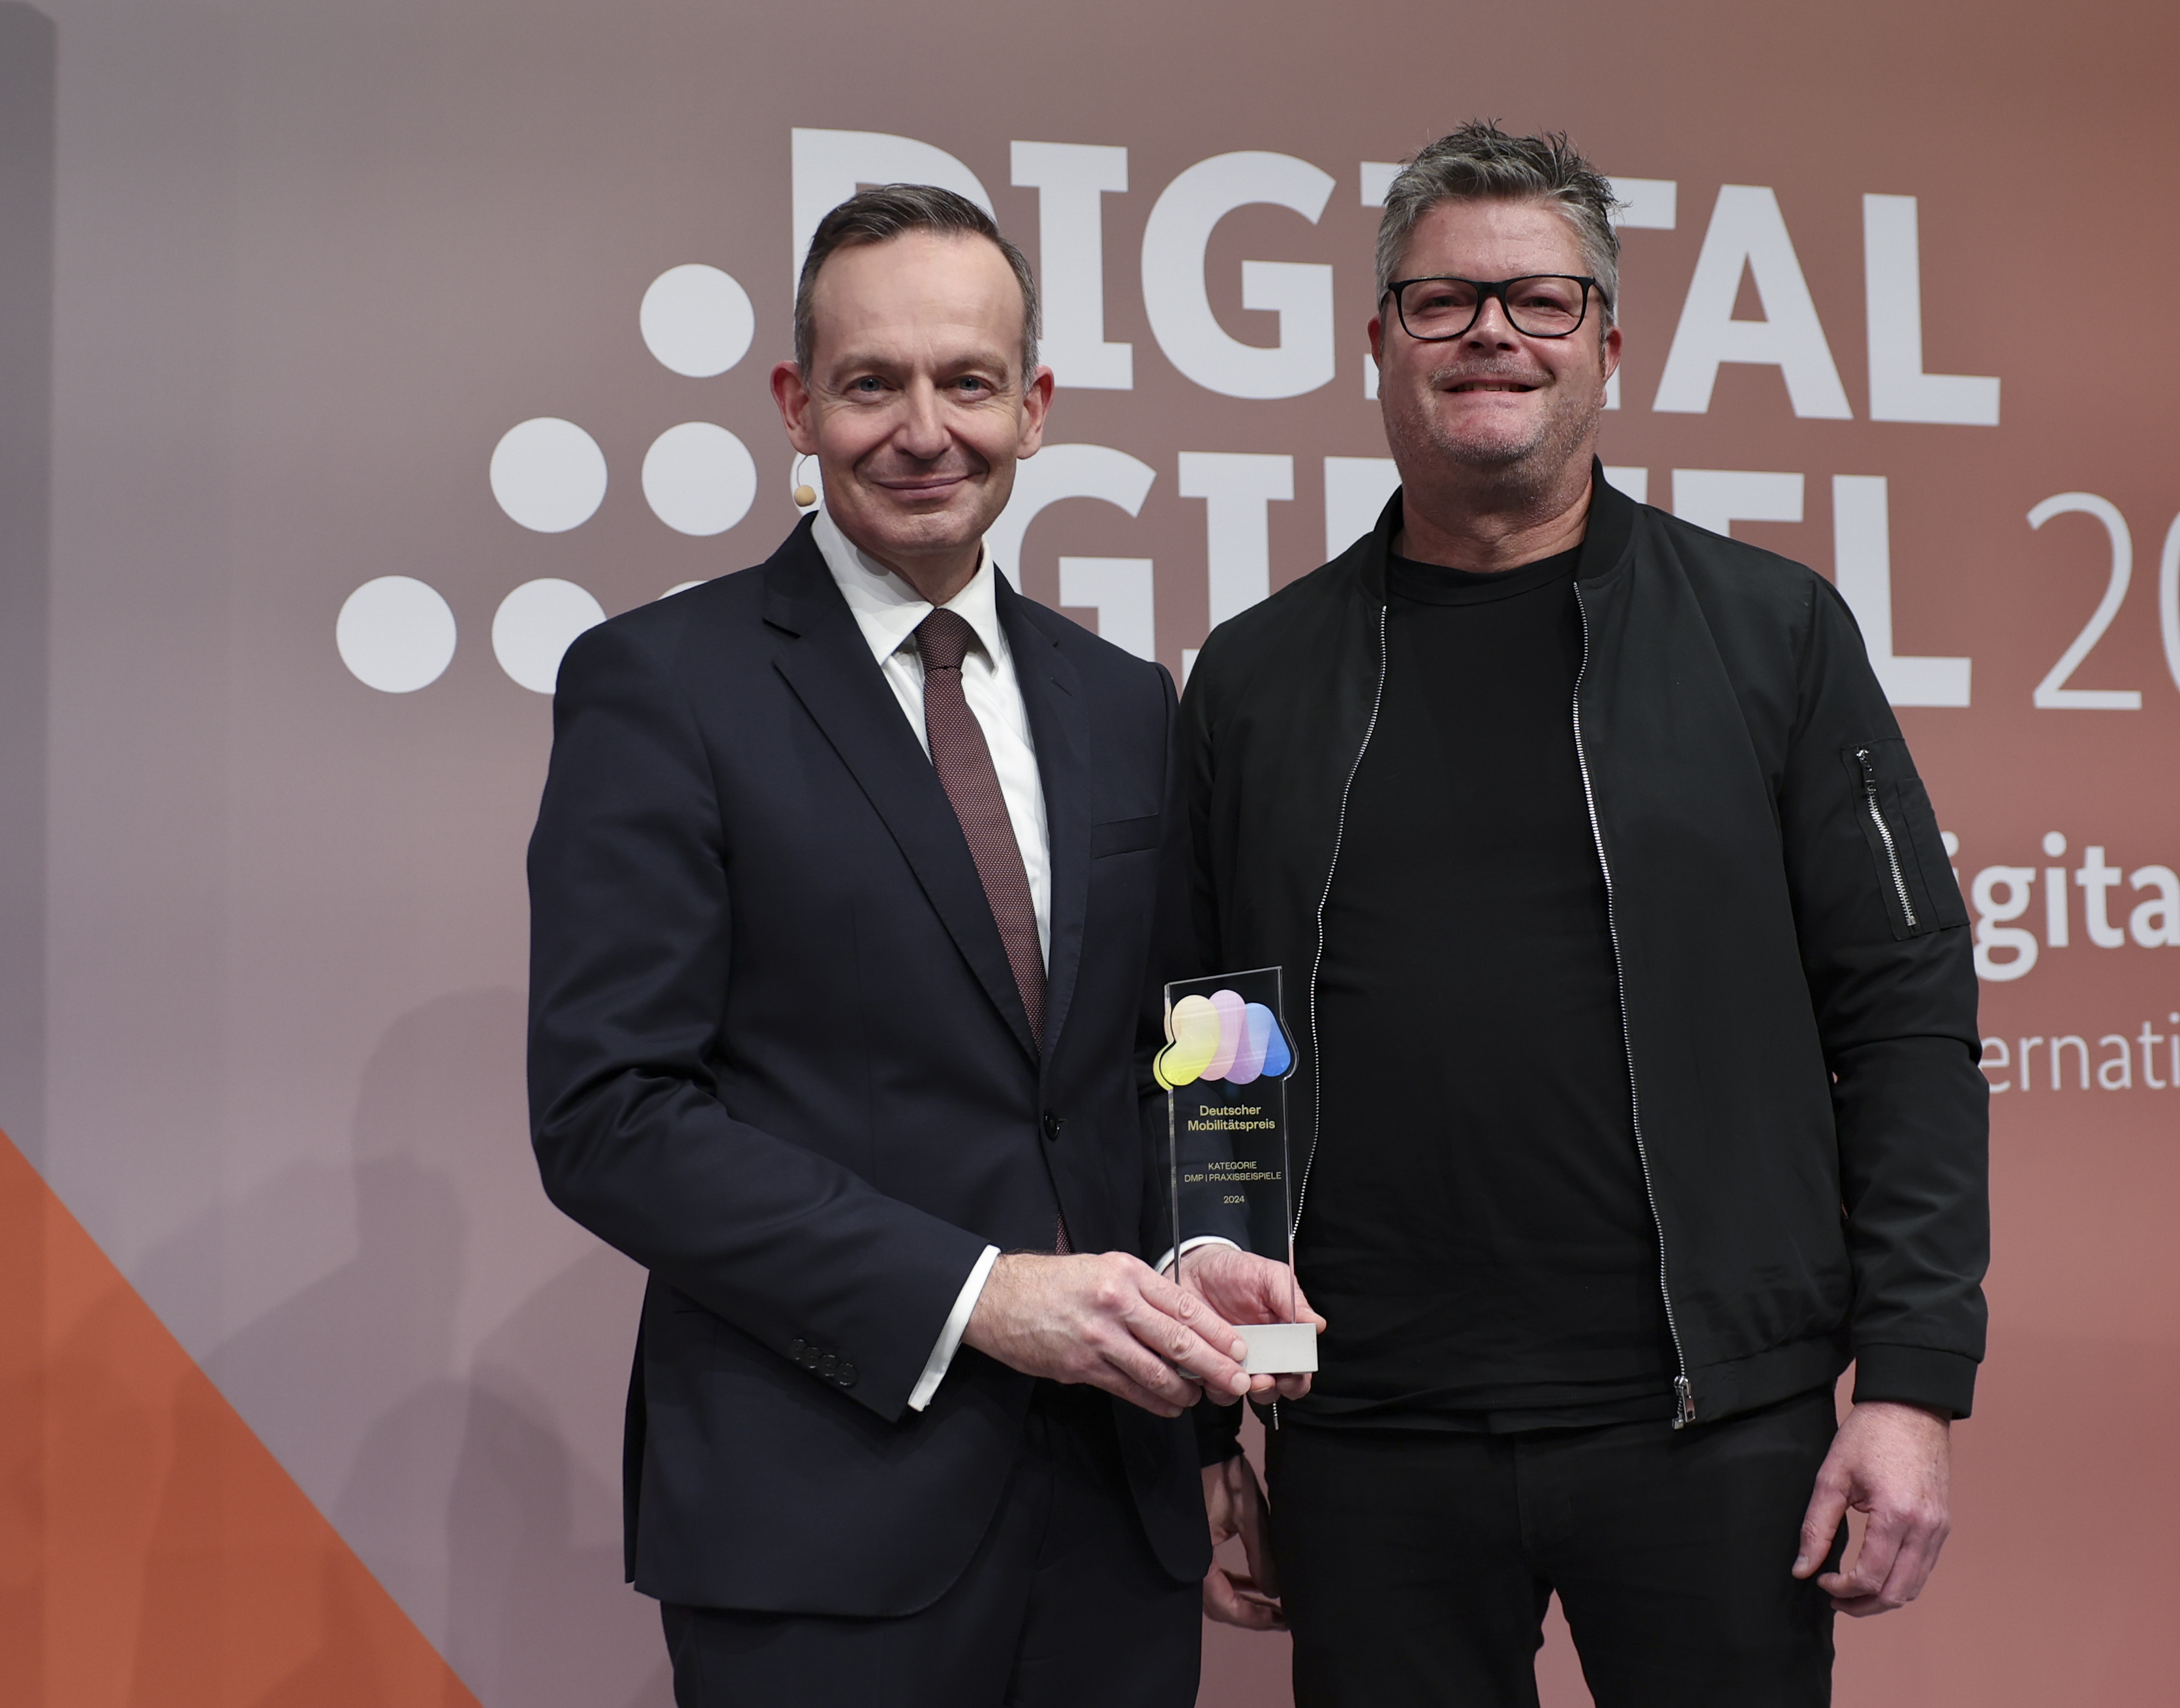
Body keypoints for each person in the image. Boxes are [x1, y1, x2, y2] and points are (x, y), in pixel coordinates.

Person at [1178, 123, 1990, 1705]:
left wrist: (1908, 1384)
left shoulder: (1772, 636)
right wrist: (1224, 1414)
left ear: (1607, 344)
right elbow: (1216, 1067)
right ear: (1375, 347)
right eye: (1441, 301)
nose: (1492, 330)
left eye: (1541, 300)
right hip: (1366, 1440)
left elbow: (1903, 1015)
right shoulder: (1255, 678)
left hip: (1710, 1434)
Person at [525, 183, 1310, 1707]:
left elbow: (1183, 1058)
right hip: (818, 1519)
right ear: (795, 406)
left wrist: (1213, 1350)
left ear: (1034, 405)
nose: (922, 429)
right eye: (871, 383)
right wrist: (977, 1291)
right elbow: (609, 1115)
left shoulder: (1125, 702)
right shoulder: (658, 684)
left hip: (1114, 1512)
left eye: (965, 381)